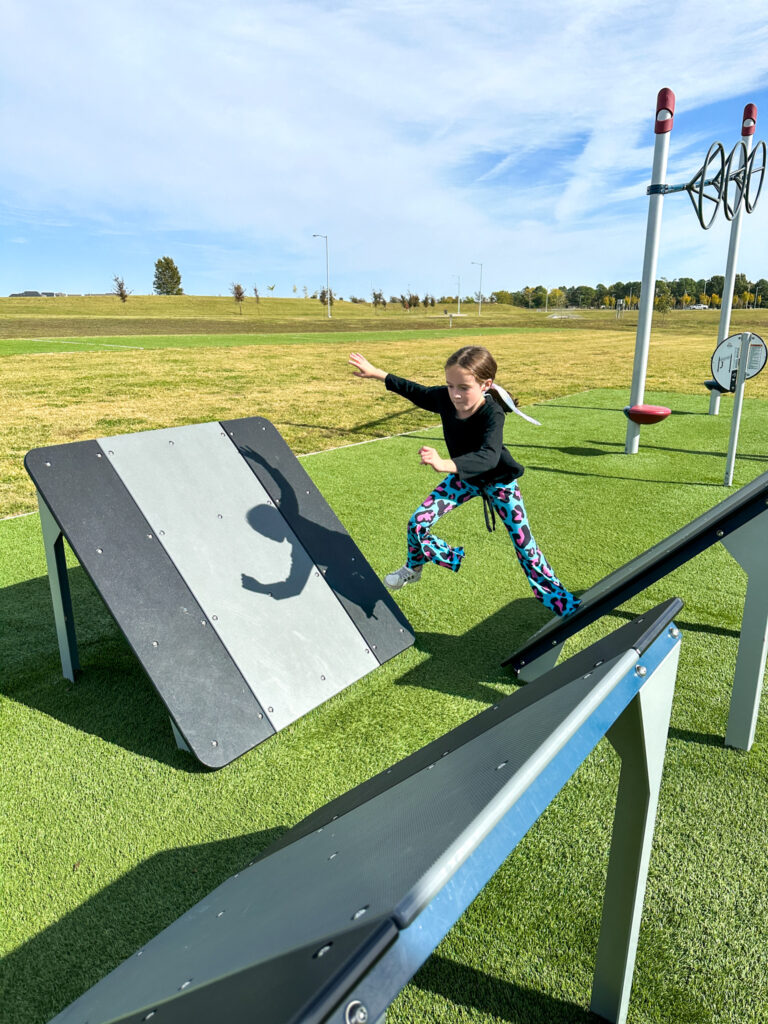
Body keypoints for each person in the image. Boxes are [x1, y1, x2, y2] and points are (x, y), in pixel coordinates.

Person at [348, 345, 579, 616]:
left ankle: (562, 602)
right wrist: (378, 373)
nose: (455, 395)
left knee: (525, 547)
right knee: (417, 523)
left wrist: (446, 464)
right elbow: (417, 391)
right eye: (449, 386)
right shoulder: (446, 399)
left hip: (499, 482)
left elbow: (489, 457)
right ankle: (416, 568)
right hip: (464, 479)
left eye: (464, 388)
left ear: (486, 385)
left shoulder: (492, 413)